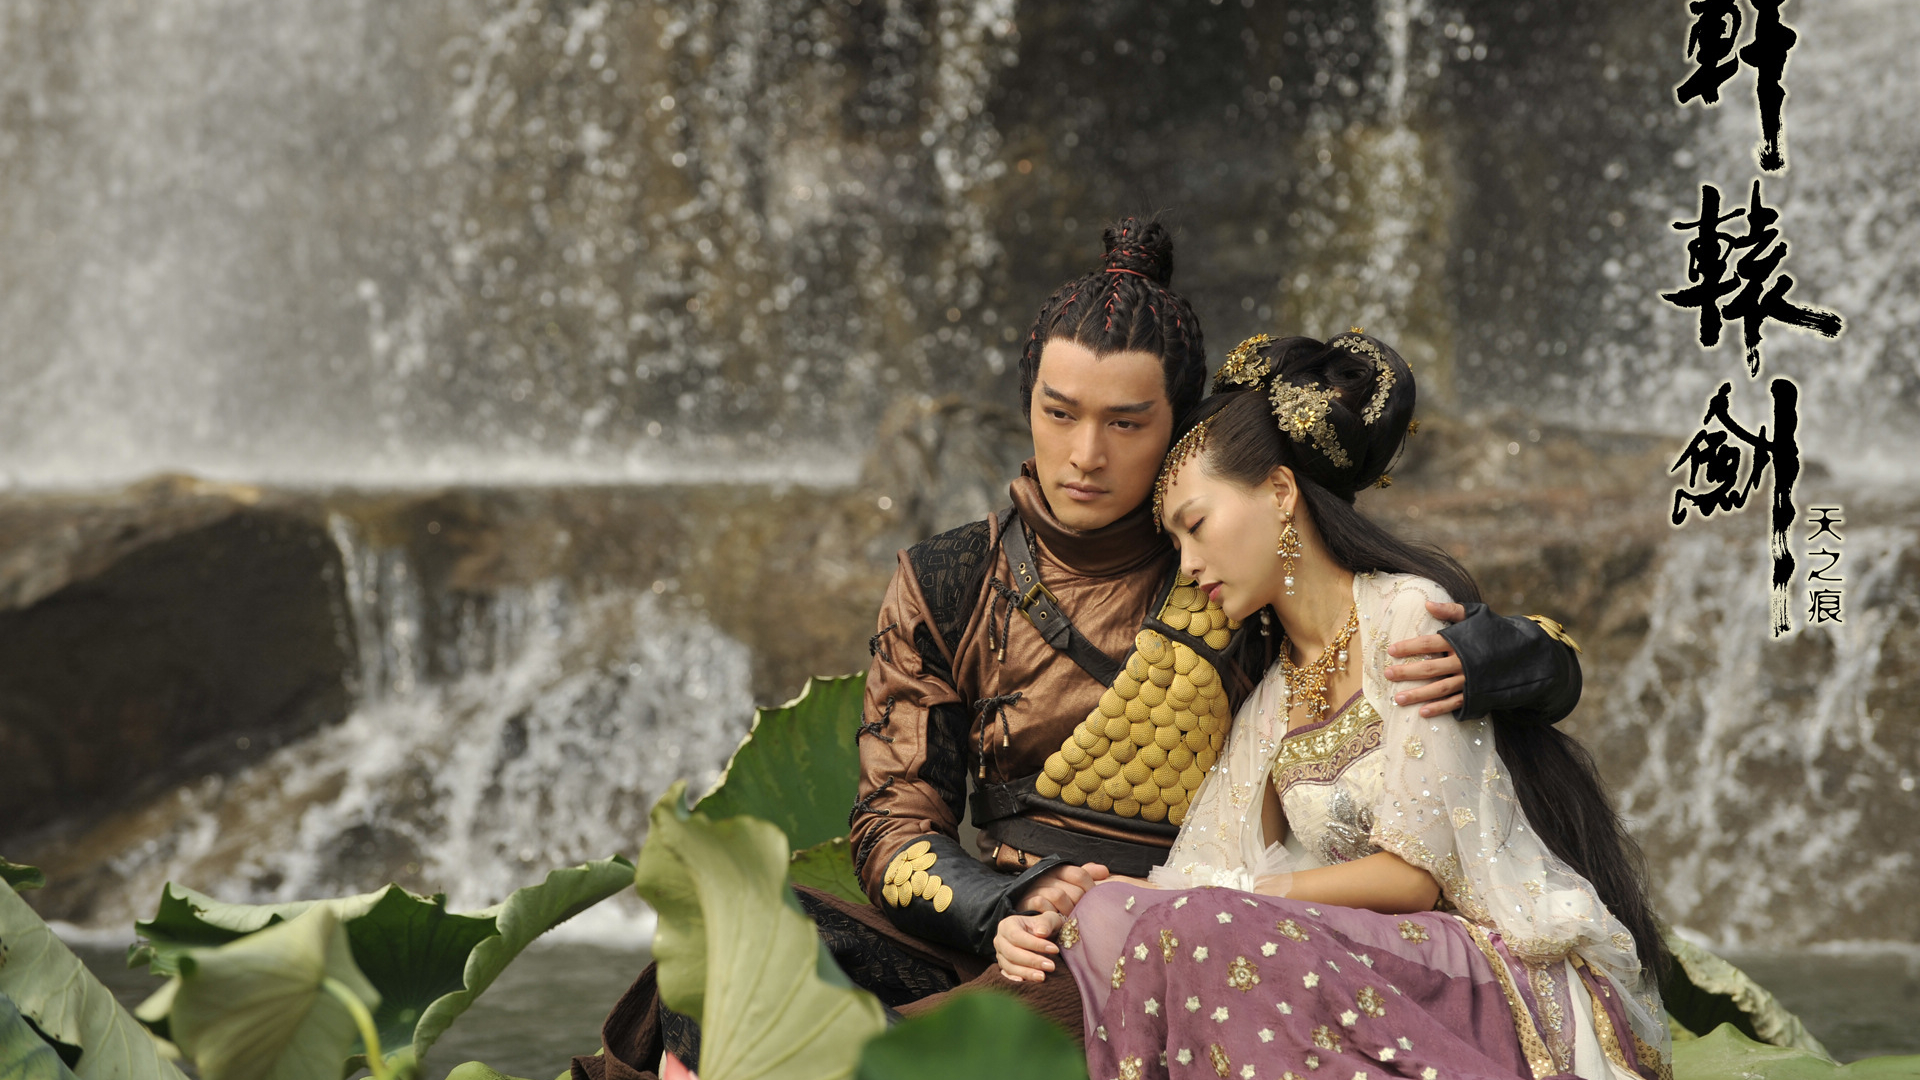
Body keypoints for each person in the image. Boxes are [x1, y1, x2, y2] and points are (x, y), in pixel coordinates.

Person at [575, 221, 1587, 1080]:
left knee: (908, 1047)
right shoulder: (949, 578)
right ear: (1027, 403)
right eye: (1059, 415)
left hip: (1158, 939)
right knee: (725, 941)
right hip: (995, 930)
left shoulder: (1227, 569)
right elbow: (891, 821)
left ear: (1179, 427)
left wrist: (1519, 660)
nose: (1085, 455)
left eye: (1126, 423)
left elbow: (1376, 621)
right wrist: (1001, 904)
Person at [995, 331, 1670, 1080]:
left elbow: (1412, 879)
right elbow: (1202, 871)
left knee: (1206, 924)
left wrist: (1236, 897)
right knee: (1106, 917)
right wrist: (1072, 901)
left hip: (1478, 971)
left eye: (1197, 524)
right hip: (1359, 967)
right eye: (1175, 540)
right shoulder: (1270, 701)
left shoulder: (1408, 617)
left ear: (1281, 493)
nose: (1187, 565)